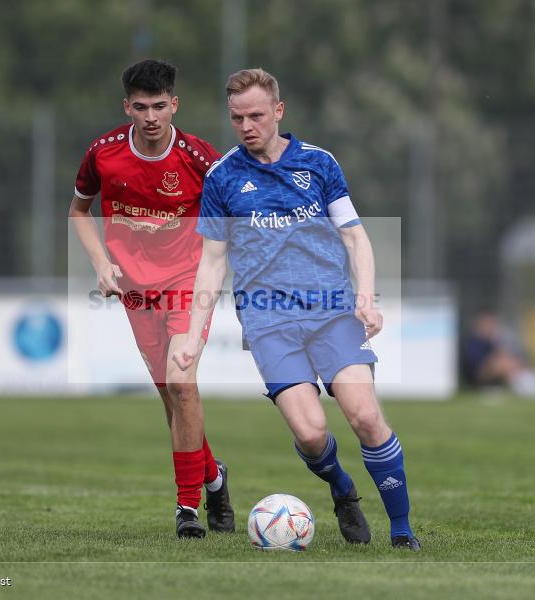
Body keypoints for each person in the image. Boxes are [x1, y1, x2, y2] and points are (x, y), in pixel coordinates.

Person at [173, 68, 420, 551]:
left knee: (366, 417)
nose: (246, 126)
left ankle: (402, 530)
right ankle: (342, 489)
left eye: (257, 115)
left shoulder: (319, 163)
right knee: (311, 433)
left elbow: (354, 236)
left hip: (331, 312)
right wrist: (190, 332)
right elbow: (212, 263)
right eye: (237, 117)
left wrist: (366, 298)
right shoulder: (223, 178)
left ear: (279, 112)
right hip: (268, 321)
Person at [68, 59, 234, 538]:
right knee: (172, 398)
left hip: (188, 279)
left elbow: (233, 217)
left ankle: (188, 510)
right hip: (136, 291)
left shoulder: (202, 158)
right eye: (140, 107)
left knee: (182, 384)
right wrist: (102, 263)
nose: (151, 116)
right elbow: (79, 211)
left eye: (160, 106)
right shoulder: (103, 154)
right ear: (127, 107)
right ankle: (214, 477)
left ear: (174, 104)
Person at [460, 309, 535, 396]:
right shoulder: (474, 343)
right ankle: (524, 384)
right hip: (477, 378)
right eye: (487, 323)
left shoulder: (493, 341)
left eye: (492, 323)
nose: (490, 326)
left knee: (508, 360)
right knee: (502, 363)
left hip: (495, 374)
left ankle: (525, 380)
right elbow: (478, 367)